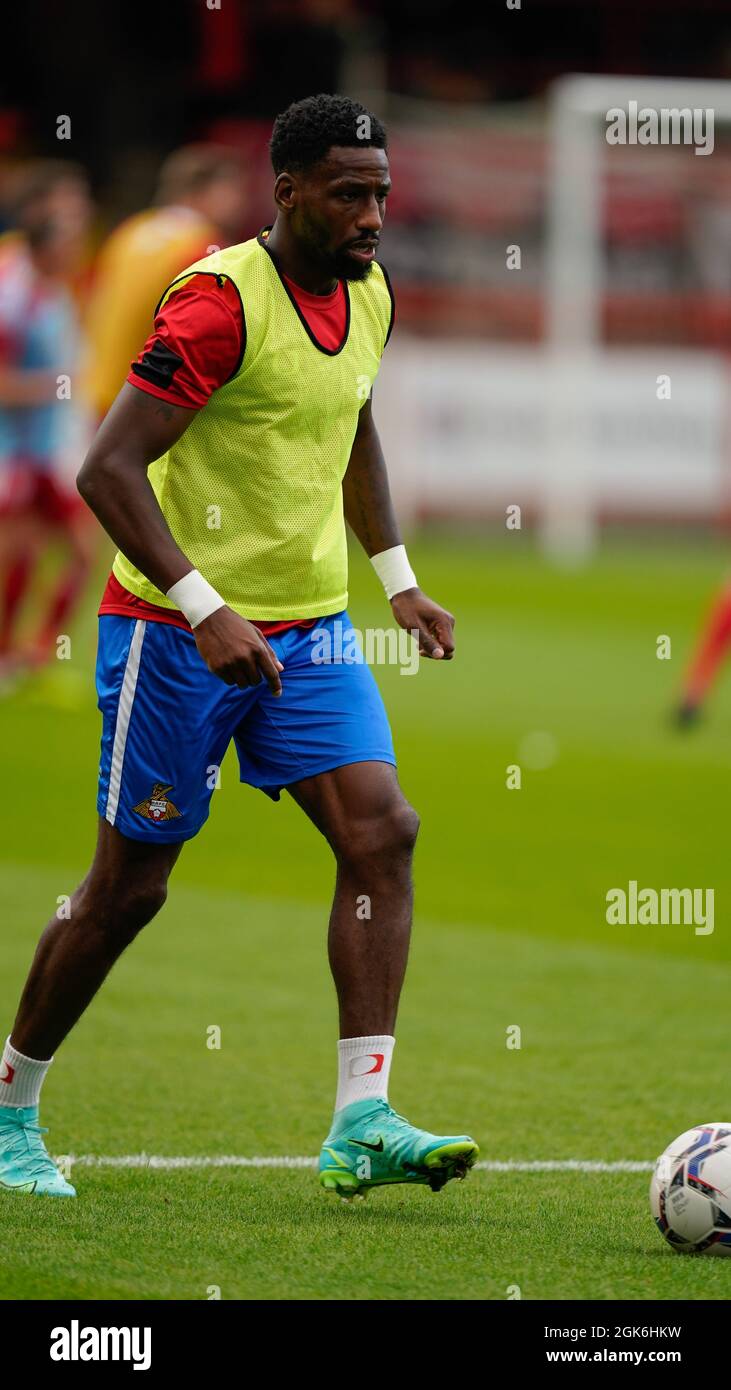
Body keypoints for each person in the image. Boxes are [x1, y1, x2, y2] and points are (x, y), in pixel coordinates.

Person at [0, 94, 477, 1200]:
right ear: (288, 192)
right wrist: (204, 602)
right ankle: (12, 1105)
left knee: (382, 832)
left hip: (306, 629)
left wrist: (396, 581)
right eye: (348, 194)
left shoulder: (371, 292)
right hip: (175, 634)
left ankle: (361, 1116)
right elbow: (107, 469)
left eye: (380, 194)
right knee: (130, 887)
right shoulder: (219, 303)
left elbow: (350, 422)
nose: (369, 215)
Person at [0, 161, 95, 673]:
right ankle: (22, 655)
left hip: (48, 448)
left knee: (45, 551)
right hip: (20, 451)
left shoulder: (55, 290)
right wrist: (60, 386)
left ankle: (29, 654)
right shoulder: (15, 294)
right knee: (31, 549)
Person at [83, 145, 248, 418]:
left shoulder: (130, 230)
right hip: (146, 404)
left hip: (97, 395)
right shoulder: (205, 247)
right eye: (232, 190)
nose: (241, 201)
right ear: (202, 191)